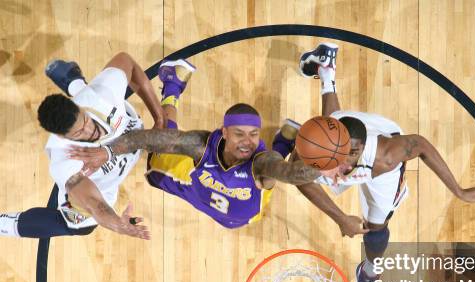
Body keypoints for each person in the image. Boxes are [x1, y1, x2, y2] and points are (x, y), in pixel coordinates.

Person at [296, 43, 475, 282]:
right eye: (334, 161)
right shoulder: (322, 141)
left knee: (376, 228)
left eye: (343, 163)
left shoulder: (386, 159)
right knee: (330, 123)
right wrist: (340, 217)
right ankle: (326, 69)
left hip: (383, 143)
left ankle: (370, 272)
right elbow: (300, 180)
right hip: (344, 128)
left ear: (354, 153)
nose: (339, 169)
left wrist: (460, 192)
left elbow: (422, 145)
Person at [67, 60, 346, 229]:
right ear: (224, 132)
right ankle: (174, 86)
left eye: (253, 134)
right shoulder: (200, 145)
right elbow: (146, 139)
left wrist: (328, 160)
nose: (248, 142)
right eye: (239, 134)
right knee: (156, 161)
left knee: (272, 167)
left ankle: (284, 141)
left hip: (248, 214)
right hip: (198, 193)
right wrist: (108, 150)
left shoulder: (260, 163)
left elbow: (293, 174)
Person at [0, 52, 165, 240]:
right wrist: (118, 225)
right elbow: (94, 204)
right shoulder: (64, 160)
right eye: (79, 134)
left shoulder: (102, 95)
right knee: (81, 225)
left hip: (132, 132)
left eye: (85, 122)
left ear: (80, 108)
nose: (90, 132)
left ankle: (75, 83)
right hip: (102, 184)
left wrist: (159, 117)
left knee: (91, 93)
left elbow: (128, 62)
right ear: (62, 136)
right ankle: (4, 225)